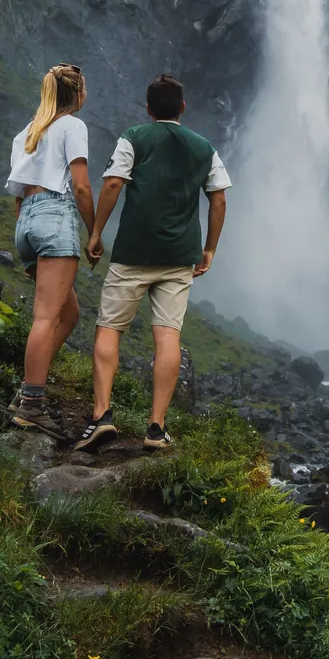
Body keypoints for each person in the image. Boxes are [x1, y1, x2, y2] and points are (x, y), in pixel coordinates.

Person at [77, 73, 230, 453]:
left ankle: (101, 416)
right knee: (168, 336)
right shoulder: (204, 146)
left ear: (148, 109)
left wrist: (96, 233)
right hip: (180, 257)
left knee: (110, 328)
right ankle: (156, 427)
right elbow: (219, 199)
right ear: (183, 107)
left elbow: (112, 183)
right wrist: (209, 248)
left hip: (132, 252)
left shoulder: (134, 137)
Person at [5, 62, 94, 439]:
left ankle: (29, 386)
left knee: (68, 312)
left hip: (26, 221)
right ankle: (31, 405)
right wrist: (95, 233)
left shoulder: (26, 132)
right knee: (45, 317)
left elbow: (18, 195)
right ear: (78, 95)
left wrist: (29, 228)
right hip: (56, 215)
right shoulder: (73, 126)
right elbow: (82, 187)